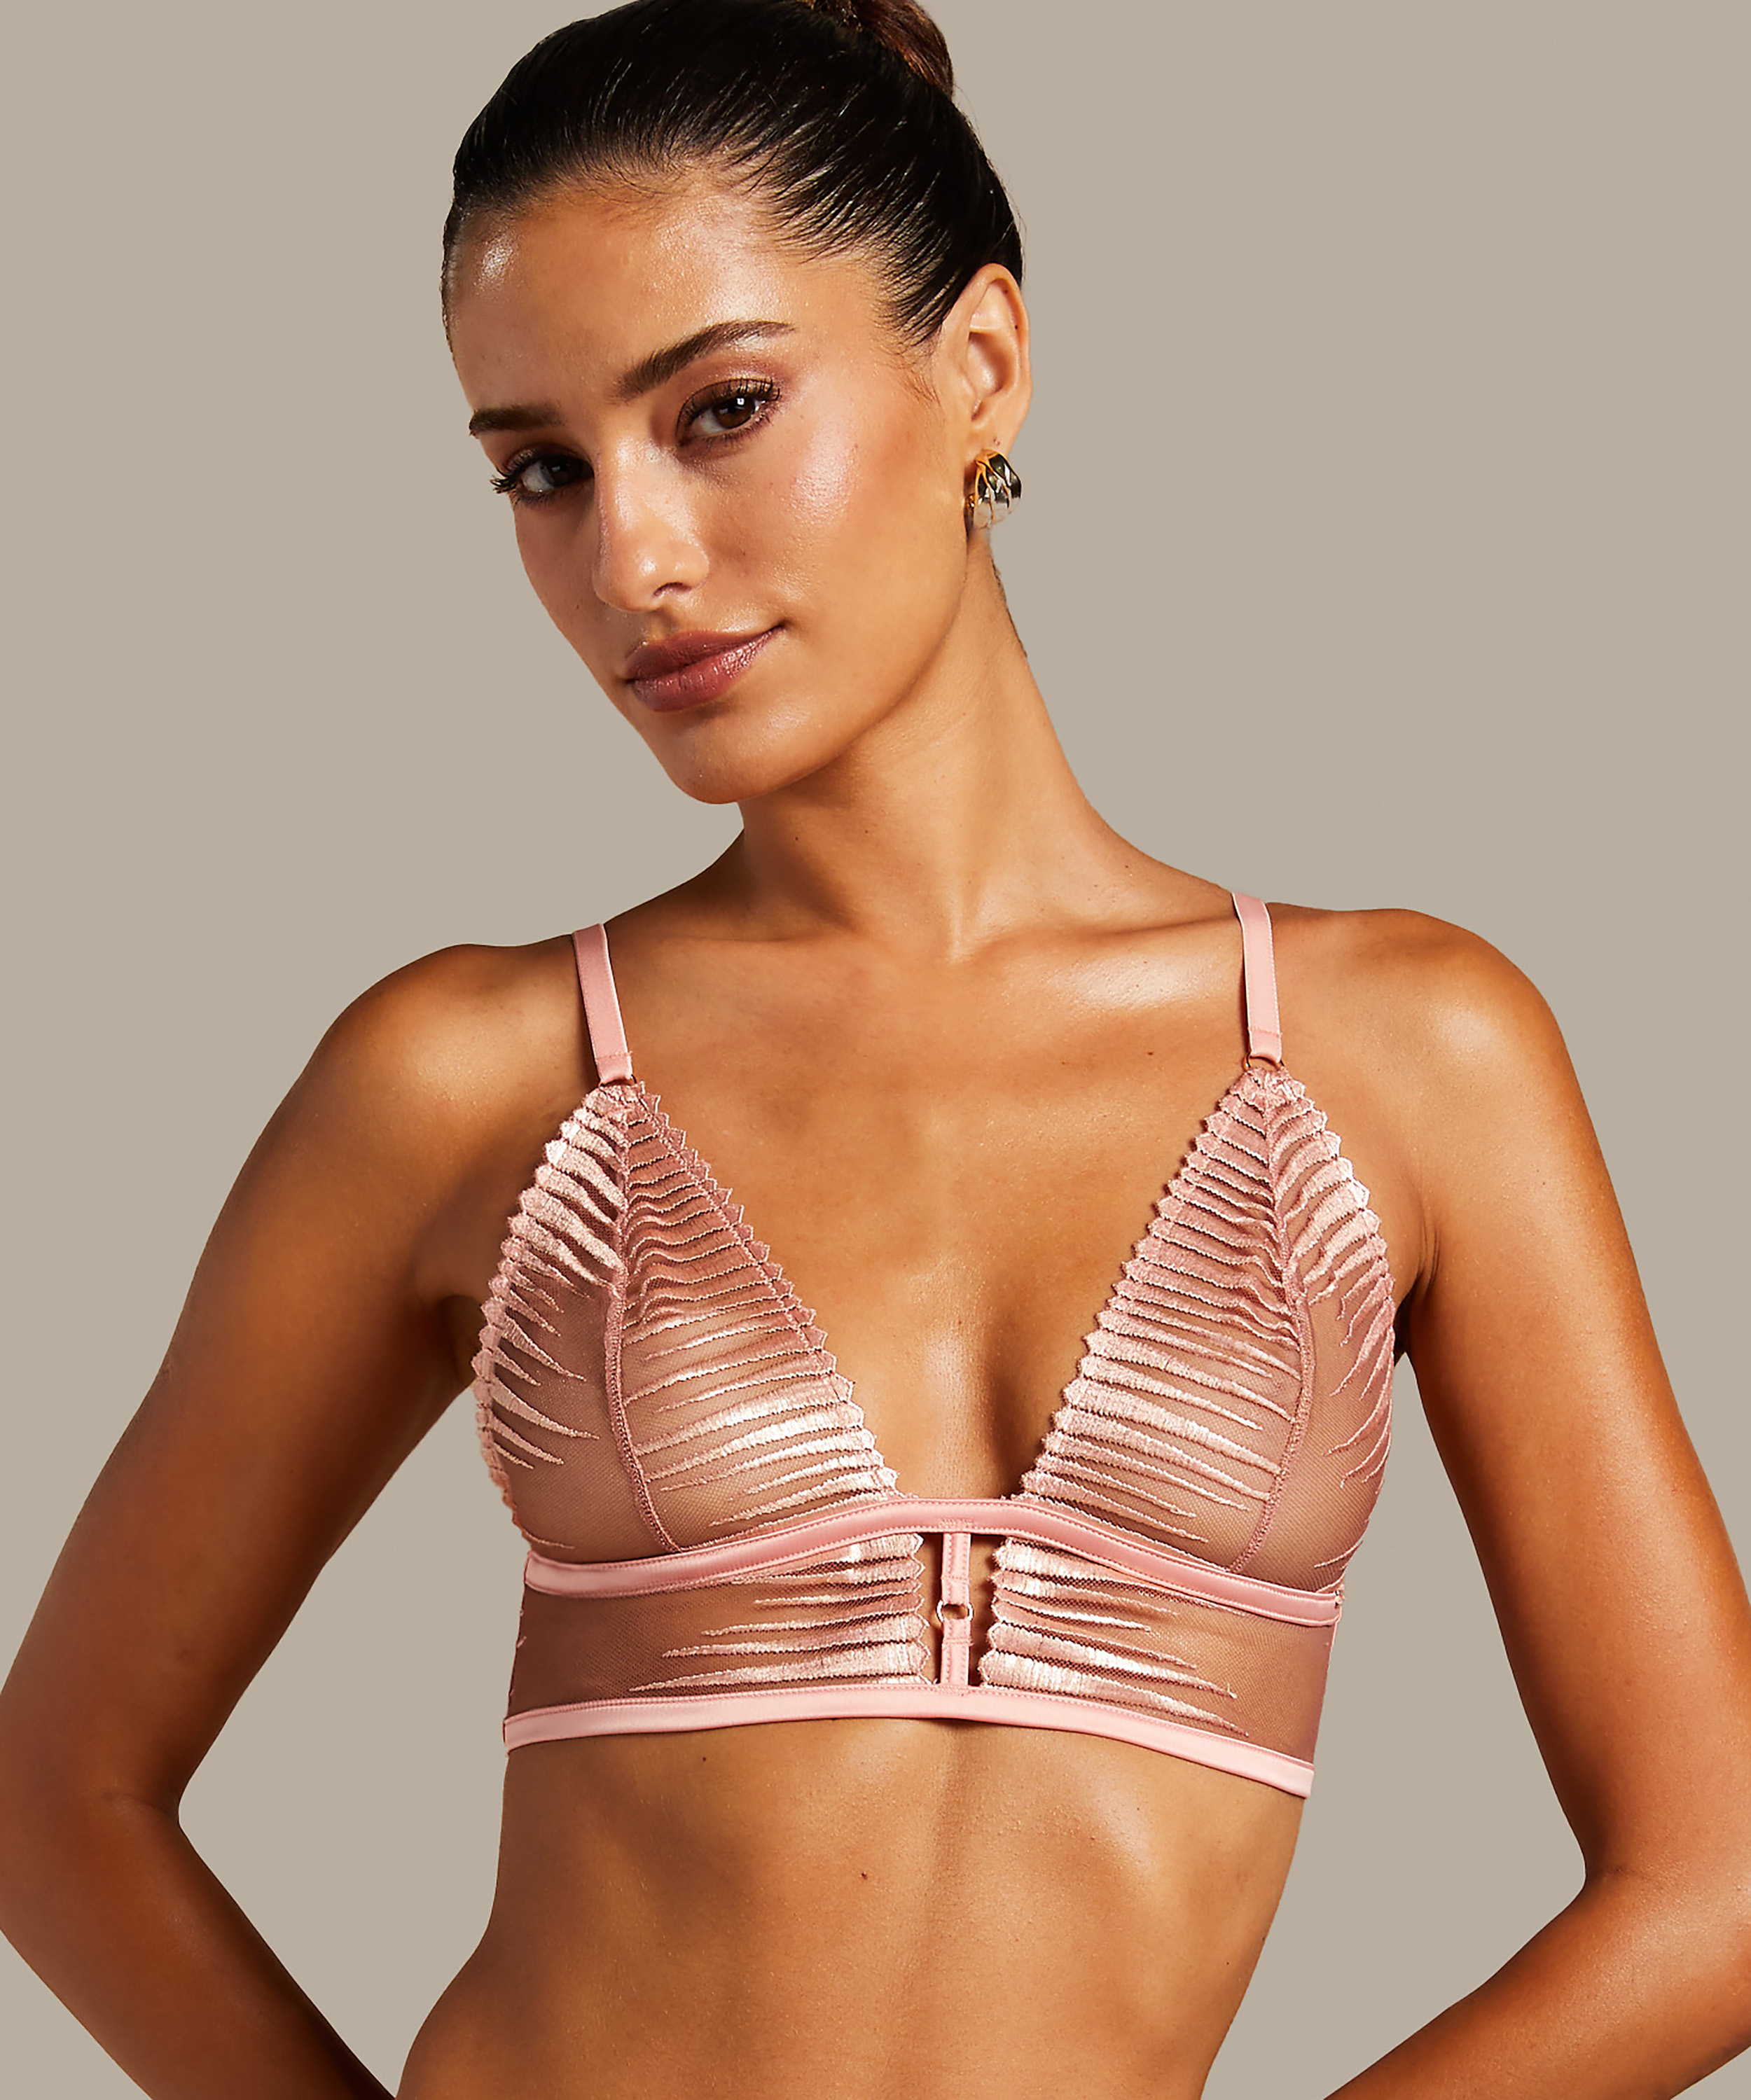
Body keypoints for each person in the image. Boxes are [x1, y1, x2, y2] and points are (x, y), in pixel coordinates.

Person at [3, 1, 1750, 2094]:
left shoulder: (1406, 1054)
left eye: (720, 410)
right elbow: (56, 1799)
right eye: (542, 469)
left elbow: (1719, 1880)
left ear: (981, 363)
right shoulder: (469, 1078)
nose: (630, 558)